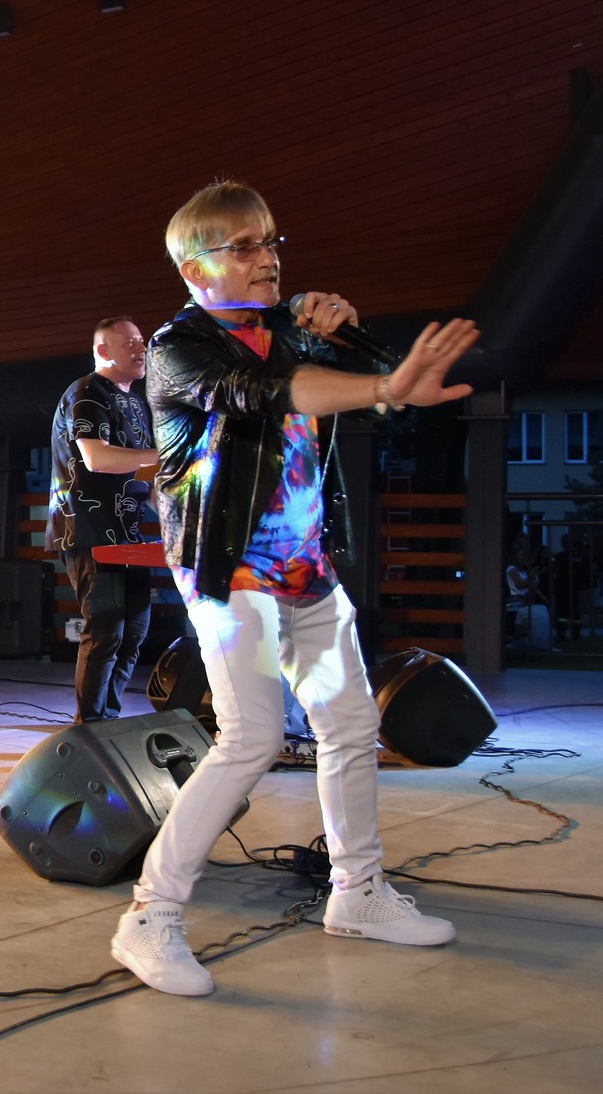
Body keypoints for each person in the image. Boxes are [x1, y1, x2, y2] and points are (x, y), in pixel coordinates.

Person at [110, 180, 480, 997]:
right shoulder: (179, 349)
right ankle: (150, 915)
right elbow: (267, 396)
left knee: (350, 725)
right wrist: (381, 383)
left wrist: (349, 335)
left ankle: (358, 892)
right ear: (193, 267)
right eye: (243, 245)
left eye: (272, 241)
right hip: (228, 571)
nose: (267, 257)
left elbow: (370, 390)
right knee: (249, 737)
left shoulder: (289, 330)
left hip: (306, 567)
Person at [47, 317, 161, 721]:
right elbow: (97, 458)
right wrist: (166, 456)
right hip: (89, 529)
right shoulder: (87, 391)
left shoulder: (137, 403)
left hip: (128, 533)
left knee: (134, 630)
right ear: (103, 351)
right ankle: (90, 724)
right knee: (107, 627)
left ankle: (107, 719)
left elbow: (145, 472)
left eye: (142, 341)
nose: (141, 349)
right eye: (130, 343)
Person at [506, 535, 553, 652]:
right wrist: (530, 577)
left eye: (524, 556)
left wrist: (538, 589)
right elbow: (519, 584)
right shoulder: (511, 569)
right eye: (520, 555)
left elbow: (532, 585)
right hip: (517, 600)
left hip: (528, 598)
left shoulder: (524, 570)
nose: (523, 558)